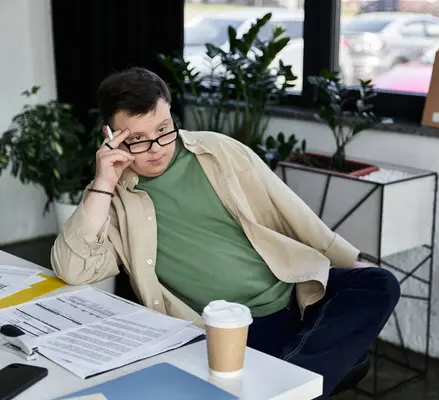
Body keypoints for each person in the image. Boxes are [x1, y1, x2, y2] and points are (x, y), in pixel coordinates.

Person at [51, 66, 400, 398]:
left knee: (379, 283)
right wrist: (103, 182)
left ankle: (287, 379)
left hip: (291, 291)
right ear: (111, 137)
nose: (156, 147)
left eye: (162, 129)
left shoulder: (217, 151)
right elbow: (73, 268)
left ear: (171, 113)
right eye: (138, 139)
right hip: (226, 328)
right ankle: (295, 372)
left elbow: (288, 209)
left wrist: (347, 260)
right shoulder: (111, 199)